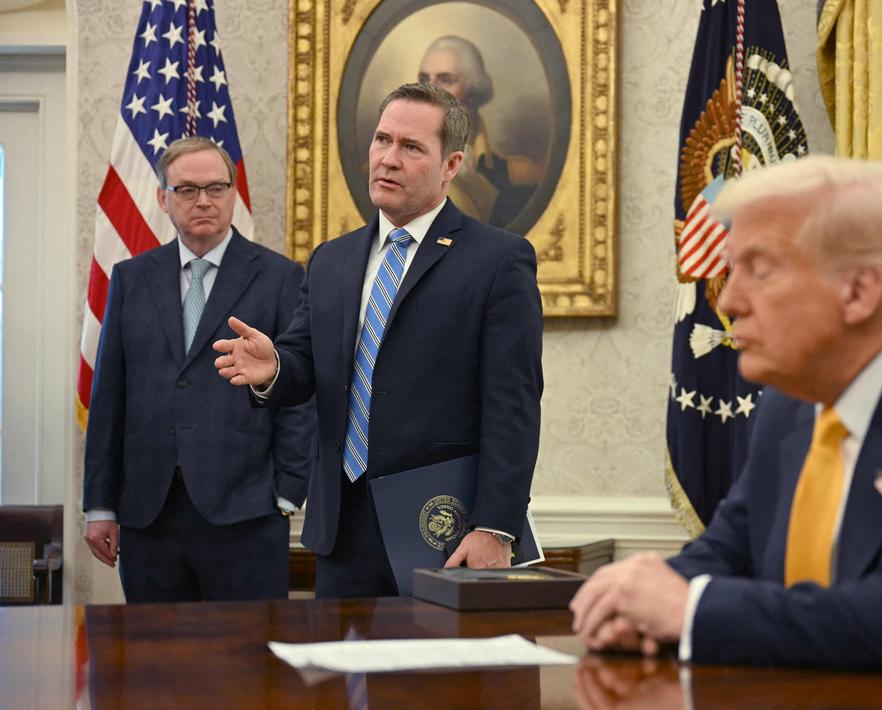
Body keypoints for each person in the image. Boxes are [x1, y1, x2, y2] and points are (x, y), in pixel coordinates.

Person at [571, 155, 882, 681]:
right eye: (730, 268)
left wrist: (692, 612)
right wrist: (637, 602)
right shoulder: (792, 402)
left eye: (759, 271)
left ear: (859, 290)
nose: (731, 300)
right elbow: (728, 552)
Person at [213, 83, 543, 598]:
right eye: (381, 140)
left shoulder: (498, 260)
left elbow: (514, 405)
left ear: (451, 164)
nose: (388, 159)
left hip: (440, 531)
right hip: (340, 530)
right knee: (345, 677)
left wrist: (496, 526)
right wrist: (275, 366)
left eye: (411, 147)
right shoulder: (332, 260)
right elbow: (306, 361)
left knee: (435, 679)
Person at [83, 136, 314, 602]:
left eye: (216, 187)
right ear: (163, 199)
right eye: (187, 190)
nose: (203, 200)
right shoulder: (131, 278)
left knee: (247, 668)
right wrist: (100, 506)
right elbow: (110, 396)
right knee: (158, 668)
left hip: (247, 514)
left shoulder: (281, 277)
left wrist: (288, 491)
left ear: (233, 194)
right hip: (150, 517)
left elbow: (300, 390)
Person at [417, 35, 541, 228]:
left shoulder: (519, 175)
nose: (429, 91)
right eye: (424, 79)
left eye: (446, 80)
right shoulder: (385, 169)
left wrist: (473, 184)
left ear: (473, 92)